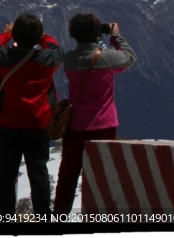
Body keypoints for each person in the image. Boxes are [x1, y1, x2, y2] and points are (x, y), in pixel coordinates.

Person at [52, 15, 136, 215]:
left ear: (73, 35)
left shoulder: (70, 59)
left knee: (68, 175)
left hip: (74, 126)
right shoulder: (105, 58)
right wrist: (115, 36)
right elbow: (129, 57)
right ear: (98, 33)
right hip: (103, 125)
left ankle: (59, 217)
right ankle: (99, 217)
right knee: (103, 173)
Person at [0, 14, 64, 216]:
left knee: (7, 172)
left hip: (8, 122)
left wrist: (6, 34)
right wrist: (43, 37)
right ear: (37, 37)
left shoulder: (5, 58)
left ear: (16, 35)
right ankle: (43, 216)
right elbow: (58, 50)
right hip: (38, 123)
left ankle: (4, 216)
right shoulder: (47, 60)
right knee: (38, 171)